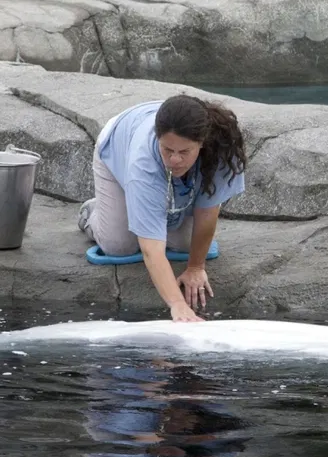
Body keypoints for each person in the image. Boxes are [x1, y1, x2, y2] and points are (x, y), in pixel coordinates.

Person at [78, 94, 247, 323]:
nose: (174, 160)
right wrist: (178, 305)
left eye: (184, 152)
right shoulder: (143, 161)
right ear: (158, 138)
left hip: (175, 157)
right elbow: (150, 250)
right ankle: (95, 211)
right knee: (119, 245)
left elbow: (208, 210)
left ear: (203, 142)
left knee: (185, 244)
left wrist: (196, 267)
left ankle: (148, 210)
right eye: (167, 150)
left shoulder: (221, 149)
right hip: (117, 151)